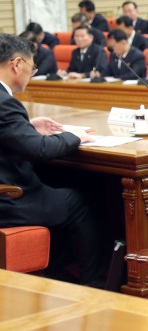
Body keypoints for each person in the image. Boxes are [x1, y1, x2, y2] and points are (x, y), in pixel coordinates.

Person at [0, 35, 106, 286]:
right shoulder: (5, 103)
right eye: (31, 67)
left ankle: (58, 273)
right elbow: (39, 150)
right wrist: (74, 136)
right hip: (10, 202)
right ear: (16, 64)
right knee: (80, 199)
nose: (31, 73)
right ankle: (96, 283)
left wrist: (27, 126)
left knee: (60, 186)